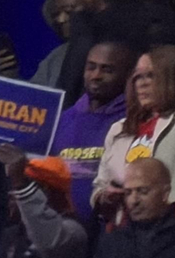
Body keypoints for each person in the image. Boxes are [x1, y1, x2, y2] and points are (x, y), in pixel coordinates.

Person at [93, 46, 175, 240]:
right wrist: (104, 197)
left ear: (174, 77)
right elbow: (100, 185)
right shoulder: (119, 130)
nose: (141, 84)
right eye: (137, 77)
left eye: (150, 76)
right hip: (129, 237)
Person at [49, 41, 132, 217]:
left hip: (109, 228)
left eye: (107, 70)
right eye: (91, 67)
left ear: (127, 76)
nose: (96, 75)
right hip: (61, 228)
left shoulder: (131, 122)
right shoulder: (63, 119)